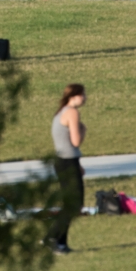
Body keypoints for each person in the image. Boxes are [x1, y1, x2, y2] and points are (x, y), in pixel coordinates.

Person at [49, 85, 88, 254]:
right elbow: (75, 141)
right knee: (74, 205)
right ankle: (50, 237)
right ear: (75, 96)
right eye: (83, 94)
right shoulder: (72, 112)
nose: (85, 98)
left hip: (64, 161)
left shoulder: (61, 111)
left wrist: (78, 165)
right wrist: (83, 130)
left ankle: (61, 243)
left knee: (70, 205)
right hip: (67, 162)